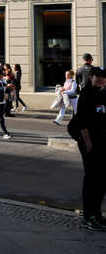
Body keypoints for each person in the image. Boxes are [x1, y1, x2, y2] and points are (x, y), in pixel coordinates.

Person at [75, 66, 106, 231]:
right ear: (91, 77)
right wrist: (89, 146)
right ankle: (89, 216)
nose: (101, 79)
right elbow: (82, 124)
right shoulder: (86, 94)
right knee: (92, 179)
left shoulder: (103, 93)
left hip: (101, 143)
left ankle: (97, 214)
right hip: (89, 143)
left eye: (104, 77)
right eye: (98, 76)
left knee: (101, 180)